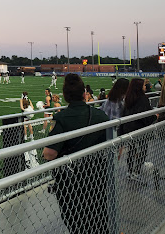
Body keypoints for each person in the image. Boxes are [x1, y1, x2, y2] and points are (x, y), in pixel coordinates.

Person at [43, 74, 109, 234]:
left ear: (65, 96)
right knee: (99, 217)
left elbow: (49, 154)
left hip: (71, 182)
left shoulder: (61, 118)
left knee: (76, 222)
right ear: (85, 94)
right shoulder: (101, 115)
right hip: (98, 176)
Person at [118, 78, 157, 182]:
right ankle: (136, 172)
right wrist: (155, 117)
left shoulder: (128, 98)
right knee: (143, 150)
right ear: (139, 87)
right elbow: (146, 116)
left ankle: (130, 171)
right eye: (144, 85)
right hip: (139, 129)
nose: (145, 87)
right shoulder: (143, 99)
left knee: (131, 150)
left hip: (129, 129)